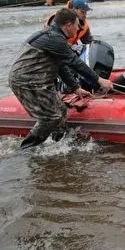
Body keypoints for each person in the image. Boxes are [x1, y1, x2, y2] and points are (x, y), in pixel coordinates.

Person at [8, 8, 113, 149]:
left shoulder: (56, 37)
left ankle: (57, 144)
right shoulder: (54, 38)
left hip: (39, 80)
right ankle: (27, 148)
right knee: (51, 117)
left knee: (61, 111)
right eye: (77, 25)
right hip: (27, 81)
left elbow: (62, 65)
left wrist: (75, 88)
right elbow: (75, 62)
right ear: (68, 25)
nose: (78, 29)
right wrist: (99, 80)